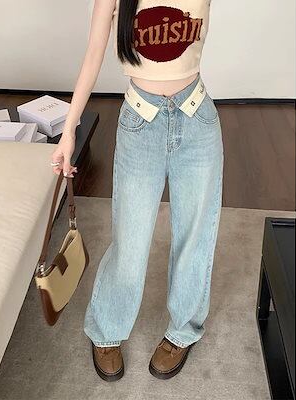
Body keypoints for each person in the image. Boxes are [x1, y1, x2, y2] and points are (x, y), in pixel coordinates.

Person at [50, 0, 223, 382]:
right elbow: (93, 55)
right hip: (140, 124)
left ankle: (183, 331)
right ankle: (107, 328)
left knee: (196, 237)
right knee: (130, 241)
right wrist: (68, 131)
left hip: (197, 119)